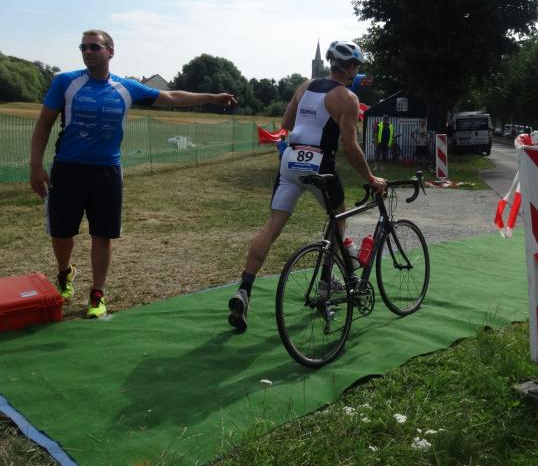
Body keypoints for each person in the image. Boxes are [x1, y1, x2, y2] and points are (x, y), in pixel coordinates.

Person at [29, 29, 237, 319]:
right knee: (62, 233)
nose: (88, 52)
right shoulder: (65, 82)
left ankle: (97, 294)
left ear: (110, 52)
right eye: (83, 47)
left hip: (107, 172)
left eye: (94, 47)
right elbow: (43, 124)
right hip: (67, 169)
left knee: (102, 234)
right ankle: (65, 273)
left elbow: (170, 96)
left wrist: (212, 97)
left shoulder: (125, 87)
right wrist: (36, 166)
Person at [227, 40, 387, 332]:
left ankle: (244, 290)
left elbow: (286, 122)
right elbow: (350, 147)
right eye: (356, 66)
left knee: (272, 226)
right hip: (319, 162)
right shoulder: (348, 98)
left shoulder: (305, 86)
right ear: (351, 68)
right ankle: (326, 284)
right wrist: (371, 178)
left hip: (290, 159)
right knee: (338, 218)